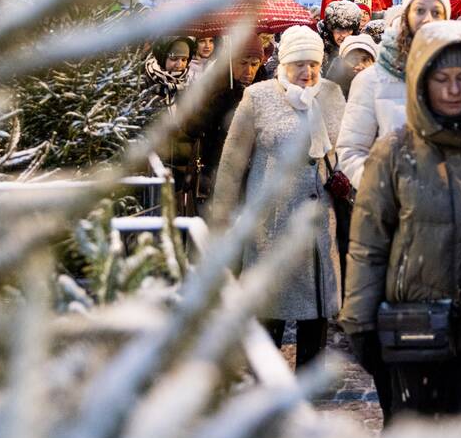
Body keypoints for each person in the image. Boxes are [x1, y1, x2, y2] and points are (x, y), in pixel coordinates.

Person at [341, 21, 461, 418]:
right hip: (417, 327)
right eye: (442, 78)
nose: (454, 89)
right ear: (422, 83)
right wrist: (360, 324)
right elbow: (368, 245)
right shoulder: (394, 151)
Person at [211, 25, 346, 369]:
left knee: (316, 312)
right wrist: (223, 214)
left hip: (317, 224)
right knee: (270, 307)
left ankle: (307, 385)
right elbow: (233, 161)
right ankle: (266, 382)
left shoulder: (330, 95)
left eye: (314, 64)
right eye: (299, 64)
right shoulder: (258, 97)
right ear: (284, 63)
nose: (308, 72)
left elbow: (344, 149)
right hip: (272, 222)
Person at [337, 0, 451, 187]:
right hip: (393, 211)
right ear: (406, 16)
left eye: (436, 12)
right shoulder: (371, 80)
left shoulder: (459, 76)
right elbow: (351, 150)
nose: (428, 19)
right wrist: (385, 189)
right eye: (419, 10)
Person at [184, 35, 268, 216]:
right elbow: (190, 127)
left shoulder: (265, 88)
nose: (249, 70)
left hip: (253, 178)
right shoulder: (216, 87)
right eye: (243, 63)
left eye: (254, 64)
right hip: (216, 175)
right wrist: (217, 104)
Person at [134, 36, 197, 209]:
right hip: (152, 166)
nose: (179, 65)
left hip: (181, 167)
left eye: (184, 59)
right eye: (174, 59)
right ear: (163, 57)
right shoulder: (144, 82)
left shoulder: (189, 85)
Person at [326, 33, 378, 100]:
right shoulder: (330, 95)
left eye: (365, 60)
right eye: (353, 59)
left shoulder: (383, 90)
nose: (360, 65)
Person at [318, 0, 363, 71]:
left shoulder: (361, 50)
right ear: (330, 30)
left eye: (349, 30)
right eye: (339, 30)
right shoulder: (319, 50)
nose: (344, 35)